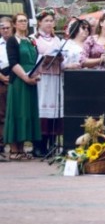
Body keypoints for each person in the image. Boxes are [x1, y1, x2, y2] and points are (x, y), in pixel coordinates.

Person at [3, 13, 41, 160]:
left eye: (25, 21)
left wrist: (37, 74)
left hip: (31, 80)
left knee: (27, 112)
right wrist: (25, 77)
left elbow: (36, 60)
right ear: (14, 24)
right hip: (19, 80)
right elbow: (13, 63)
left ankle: (23, 147)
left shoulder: (31, 40)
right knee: (17, 111)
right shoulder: (13, 40)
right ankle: (14, 149)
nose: (23, 23)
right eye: (20, 21)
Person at [32, 10, 63, 158]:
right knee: (41, 110)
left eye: (51, 21)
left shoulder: (57, 39)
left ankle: (52, 142)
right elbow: (32, 58)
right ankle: (39, 145)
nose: (49, 23)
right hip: (42, 77)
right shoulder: (34, 39)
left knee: (54, 110)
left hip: (55, 77)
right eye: (46, 21)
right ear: (39, 23)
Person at [0, 17, 12, 160]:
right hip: (2, 79)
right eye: (2, 27)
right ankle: (1, 146)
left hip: (16, 79)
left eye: (7, 27)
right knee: (1, 114)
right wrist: (2, 77)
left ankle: (16, 146)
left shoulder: (16, 43)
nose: (5, 30)